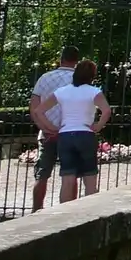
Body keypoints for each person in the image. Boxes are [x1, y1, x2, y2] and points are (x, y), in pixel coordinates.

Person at [47, 60, 112, 204]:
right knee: (90, 179)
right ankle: (88, 214)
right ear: (92, 76)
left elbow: (39, 110)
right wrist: (98, 125)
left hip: (65, 134)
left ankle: (63, 214)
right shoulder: (93, 91)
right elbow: (106, 110)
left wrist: (50, 127)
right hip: (85, 133)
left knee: (67, 179)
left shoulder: (62, 91)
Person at [27, 46, 80, 212]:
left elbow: (34, 105)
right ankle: (67, 212)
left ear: (61, 58)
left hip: (47, 132)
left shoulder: (45, 77)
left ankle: (36, 210)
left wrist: (44, 127)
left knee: (42, 174)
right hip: (70, 132)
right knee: (70, 175)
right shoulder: (79, 80)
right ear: (77, 61)